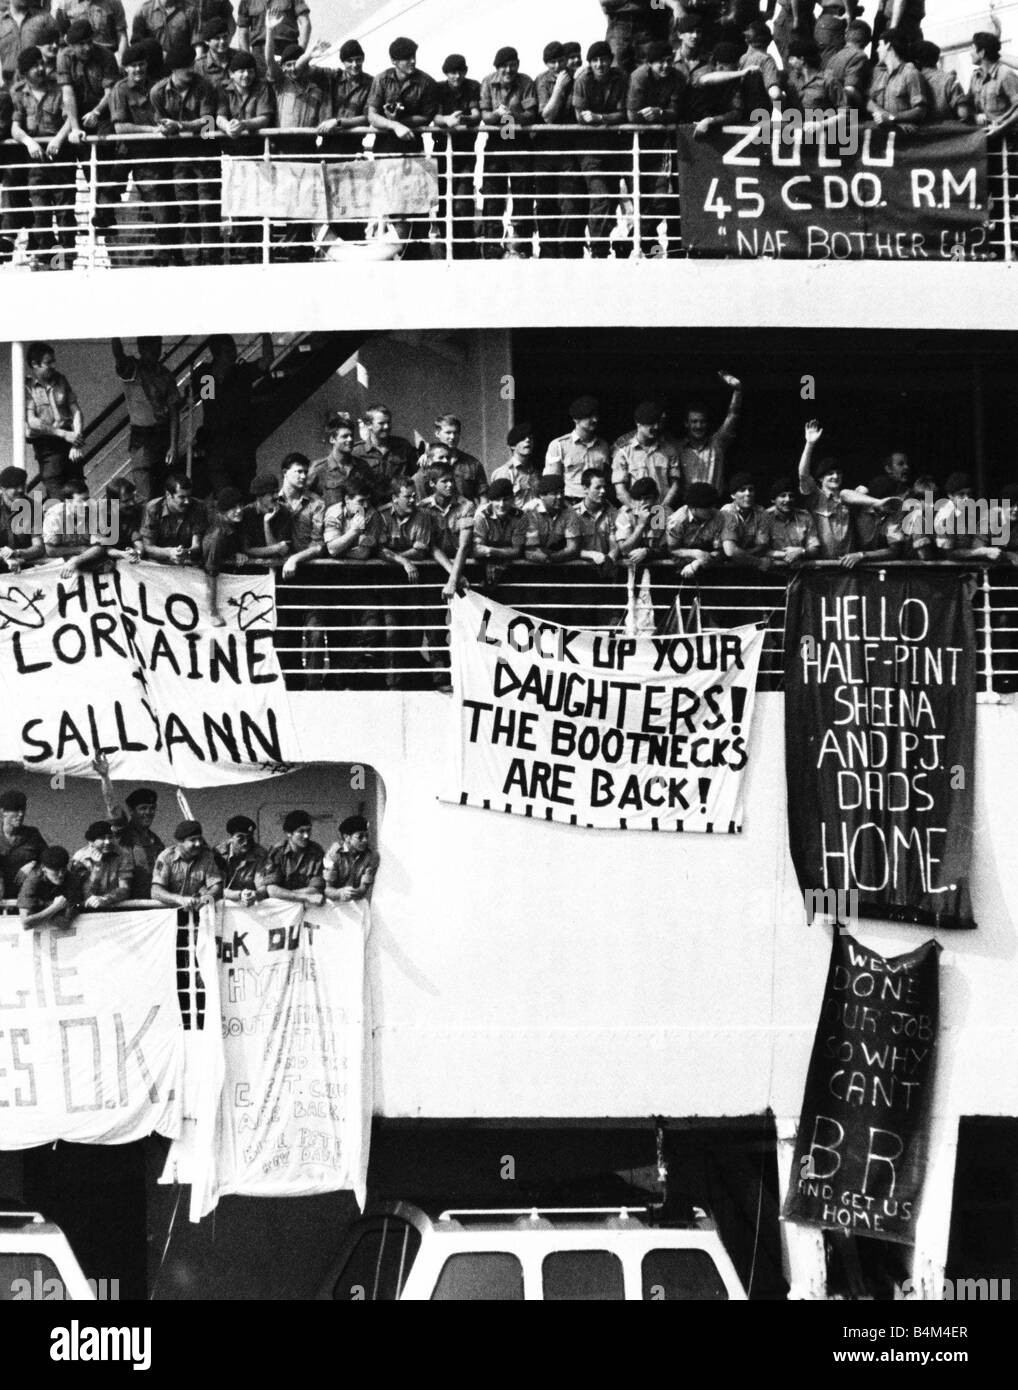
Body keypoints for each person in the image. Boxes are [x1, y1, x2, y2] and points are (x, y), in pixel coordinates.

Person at [150, 41, 219, 264]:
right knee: (186, 208)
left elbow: (208, 124)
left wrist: (180, 126)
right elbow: (160, 123)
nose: (191, 70)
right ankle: (192, 259)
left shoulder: (205, 86)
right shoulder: (158, 92)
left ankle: (210, 259)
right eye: (185, 67)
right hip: (179, 157)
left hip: (205, 154)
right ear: (174, 70)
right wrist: (166, 128)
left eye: (191, 65)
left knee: (208, 208)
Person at [11, 46, 75, 270]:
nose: (40, 69)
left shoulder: (59, 90)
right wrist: (28, 141)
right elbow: (15, 127)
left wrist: (58, 139)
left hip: (60, 160)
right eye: (33, 66)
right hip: (36, 165)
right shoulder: (19, 93)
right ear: (24, 71)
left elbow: (70, 119)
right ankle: (48, 263)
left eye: (41, 64)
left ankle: (64, 265)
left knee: (65, 214)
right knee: (40, 217)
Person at [58, 18, 121, 235]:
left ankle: (105, 212)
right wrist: (75, 127)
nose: (86, 48)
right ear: (71, 45)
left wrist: (96, 112)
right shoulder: (64, 58)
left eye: (88, 42)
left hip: (104, 113)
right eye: (80, 44)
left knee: (104, 154)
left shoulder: (106, 56)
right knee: (87, 161)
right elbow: (68, 94)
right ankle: (101, 212)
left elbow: (110, 92)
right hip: (78, 115)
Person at [479, 45, 538, 259]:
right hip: (497, 142)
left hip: (519, 142)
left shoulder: (526, 82)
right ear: (497, 68)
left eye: (512, 65)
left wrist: (512, 113)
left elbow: (531, 114)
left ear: (518, 65)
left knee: (522, 196)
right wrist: (497, 115)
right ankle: (492, 248)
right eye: (503, 66)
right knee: (493, 197)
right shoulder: (487, 82)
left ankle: (521, 246)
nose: (508, 70)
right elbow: (485, 116)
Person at [627, 40, 683, 258]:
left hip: (662, 143)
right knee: (641, 198)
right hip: (637, 143)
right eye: (660, 62)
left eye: (669, 61)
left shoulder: (677, 78)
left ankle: (632, 239)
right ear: (649, 63)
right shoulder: (639, 76)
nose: (665, 66)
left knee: (661, 199)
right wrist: (652, 116)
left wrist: (660, 113)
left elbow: (676, 110)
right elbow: (632, 113)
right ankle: (648, 248)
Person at [194, 333, 272, 490]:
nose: (233, 354)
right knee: (224, 493)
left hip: (240, 443)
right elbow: (208, 401)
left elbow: (266, 360)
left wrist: (265, 333)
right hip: (216, 444)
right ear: (217, 354)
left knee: (246, 489)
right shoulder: (206, 376)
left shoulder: (242, 373)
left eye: (233, 350)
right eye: (227, 351)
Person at [573, 41, 628, 259]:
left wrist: (600, 118)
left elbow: (623, 113)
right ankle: (598, 248)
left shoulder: (620, 78)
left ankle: (603, 242)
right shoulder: (582, 81)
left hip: (612, 146)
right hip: (588, 148)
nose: (600, 64)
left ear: (610, 60)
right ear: (589, 63)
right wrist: (602, 120)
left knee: (612, 198)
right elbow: (580, 117)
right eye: (595, 60)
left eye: (603, 59)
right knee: (601, 196)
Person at [111, 336, 181, 500]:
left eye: (158, 347)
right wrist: (115, 334)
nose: (155, 352)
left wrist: (173, 445)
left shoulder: (165, 374)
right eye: (150, 348)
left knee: (166, 491)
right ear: (142, 349)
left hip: (162, 436)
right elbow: (119, 356)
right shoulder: (132, 368)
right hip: (142, 438)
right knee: (145, 493)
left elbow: (174, 413)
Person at [535, 39, 585, 259]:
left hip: (568, 148)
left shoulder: (578, 79)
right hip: (545, 149)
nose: (557, 66)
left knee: (570, 202)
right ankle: (548, 253)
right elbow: (547, 115)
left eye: (560, 61)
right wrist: (558, 89)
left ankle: (570, 252)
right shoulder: (542, 81)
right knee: (545, 203)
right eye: (552, 62)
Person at [433, 53, 481, 257]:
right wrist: (446, 120)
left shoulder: (472, 86)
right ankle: (446, 247)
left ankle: (465, 249)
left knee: (463, 201)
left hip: (465, 152)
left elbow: (477, 114)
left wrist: (462, 120)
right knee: (443, 201)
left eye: (460, 71)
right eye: (452, 72)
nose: (457, 76)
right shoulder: (439, 89)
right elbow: (435, 117)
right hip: (442, 152)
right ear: (446, 73)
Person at [25, 340, 83, 500]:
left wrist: (75, 441)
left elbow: (76, 410)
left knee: (79, 494)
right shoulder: (27, 387)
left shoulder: (61, 379)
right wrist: (64, 434)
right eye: (48, 363)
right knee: (57, 496)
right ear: (35, 364)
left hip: (69, 445)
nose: (54, 365)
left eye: (53, 361)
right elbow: (32, 422)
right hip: (47, 448)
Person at [94, 769, 164, 897]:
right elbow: (113, 806)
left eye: (152, 808)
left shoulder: (156, 841)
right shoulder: (123, 832)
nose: (148, 812)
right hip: (123, 903)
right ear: (131, 811)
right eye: (143, 808)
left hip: (149, 904)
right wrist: (105, 777)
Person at [797, 420, 857, 558]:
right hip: (822, 569)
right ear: (820, 479)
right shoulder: (815, 496)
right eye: (830, 473)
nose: (835, 476)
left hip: (849, 567)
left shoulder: (850, 497)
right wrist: (810, 444)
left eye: (838, 473)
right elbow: (803, 475)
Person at [677, 372, 742, 493]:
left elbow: (733, 415)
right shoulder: (678, 448)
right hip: (688, 505)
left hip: (714, 504)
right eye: (694, 422)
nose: (698, 426)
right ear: (686, 424)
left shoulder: (717, 443)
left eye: (702, 422)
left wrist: (737, 390)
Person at [612, 401, 681, 509]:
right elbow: (620, 491)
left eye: (658, 422)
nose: (656, 427)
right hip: (634, 514)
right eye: (651, 423)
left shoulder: (669, 451)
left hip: (662, 512)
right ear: (638, 423)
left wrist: (661, 509)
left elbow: (675, 485)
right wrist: (637, 511)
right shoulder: (623, 453)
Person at [545, 395, 611, 502]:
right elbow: (552, 483)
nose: (595, 419)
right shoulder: (559, 445)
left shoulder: (603, 446)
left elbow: (607, 478)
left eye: (596, 415)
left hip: (597, 503)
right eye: (589, 416)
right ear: (576, 419)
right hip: (570, 503)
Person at [202, 486, 248, 625]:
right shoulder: (216, 536)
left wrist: (236, 552)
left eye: (240, 505)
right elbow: (210, 573)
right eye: (233, 507)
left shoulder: (233, 523)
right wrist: (213, 611)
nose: (239, 510)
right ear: (223, 510)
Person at [152, 820, 224, 909]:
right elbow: (155, 891)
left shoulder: (206, 856)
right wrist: (179, 899)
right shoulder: (166, 857)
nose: (198, 844)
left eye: (200, 839)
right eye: (193, 840)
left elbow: (216, 886)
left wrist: (205, 898)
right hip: (170, 913)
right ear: (180, 842)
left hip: (198, 911)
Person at [468, 477, 527, 584]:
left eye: (506, 499)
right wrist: (503, 552)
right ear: (490, 501)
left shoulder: (520, 517)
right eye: (497, 500)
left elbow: (517, 551)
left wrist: (490, 551)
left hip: (510, 568)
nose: (501, 504)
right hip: (483, 568)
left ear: (513, 499)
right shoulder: (482, 516)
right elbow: (476, 550)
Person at [352, 405, 417, 501]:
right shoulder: (357, 452)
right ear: (369, 424)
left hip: (400, 503)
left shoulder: (403, 445)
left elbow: (415, 474)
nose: (386, 427)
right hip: (373, 506)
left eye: (388, 422)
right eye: (381, 423)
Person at [308, 411, 372, 508]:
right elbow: (304, 496)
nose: (350, 439)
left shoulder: (362, 466)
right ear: (332, 439)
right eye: (345, 436)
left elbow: (371, 497)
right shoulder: (318, 469)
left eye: (351, 436)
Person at [934, 472, 1003, 563]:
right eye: (961, 494)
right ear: (950, 496)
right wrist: (983, 552)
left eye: (969, 494)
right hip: (948, 570)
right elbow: (949, 555)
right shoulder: (945, 518)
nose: (967, 498)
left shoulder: (969, 509)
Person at [140, 470, 206, 565]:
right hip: (158, 563)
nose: (187, 501)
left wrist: (186, 552)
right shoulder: (153, 508)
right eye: (182, 497)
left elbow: (197, 545)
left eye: (189, 496)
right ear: (168, 495)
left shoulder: (198, 507)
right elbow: (148, 547)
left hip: (186, 563)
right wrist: (169, 552)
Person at [43, 478, 105, 576]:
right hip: (61, 562)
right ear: (68, 502)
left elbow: (99, 547)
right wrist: (78, 550)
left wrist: (77, 560)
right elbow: (50, 550)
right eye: (81, 501)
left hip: (86, 559)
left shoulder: (94, 511)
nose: (86, 505)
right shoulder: (55, 515)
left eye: (87, 499)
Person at [261, 809, 325, 904]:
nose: (306, 836)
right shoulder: (277, 852)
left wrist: (284, 894)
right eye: (301, 832)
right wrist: (304, 897)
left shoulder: (316, 851)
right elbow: (271, 890)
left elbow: (316, 889)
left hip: (306, 907)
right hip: (282, 908)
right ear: (288, 833)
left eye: (308, 831)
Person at [276, 452, 324, 579]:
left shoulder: (316, 503)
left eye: (305, 472)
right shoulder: (272, 500)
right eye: (299, 471)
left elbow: (318, 545)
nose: (303, 476)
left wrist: (295, 559)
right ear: (285, 472)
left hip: (309, 568)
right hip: (274, 570)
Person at [868, 31, 927, 128]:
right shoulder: (879, 74)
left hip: (904, 136)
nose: (877, 50)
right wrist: (882, 114)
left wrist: (891, 117)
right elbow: (868, 102)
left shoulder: (911, 73)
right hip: (883, 133)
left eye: (880, 45)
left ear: (888, 46)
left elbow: (920, 111)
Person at [667, 480, 724, 580]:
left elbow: (720, 550)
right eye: (706, 507)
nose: (711, 509)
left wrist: (698, 562)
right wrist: (695, 553)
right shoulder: (676, 521)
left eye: (712, 505)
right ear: (693, 508)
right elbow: (672, 550)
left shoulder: (718, 517)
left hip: (710, 567)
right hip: (680, 568)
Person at [70, 819, 132, 909]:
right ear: (91, 842)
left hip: (113, 905)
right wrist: (97, 868)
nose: (107, 842)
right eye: (102, 838)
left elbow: (125, 889)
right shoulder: (80, 858)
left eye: (110, 837)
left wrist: (105, 899)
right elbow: (85, 894)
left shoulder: (123, 855)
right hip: (86, 908)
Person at [18, 845, 83, 930]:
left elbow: (64, 923)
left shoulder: (71, 879)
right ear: (44, 868)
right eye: (55, 870)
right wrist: (55, 907)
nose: (61, 874)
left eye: (63, 869)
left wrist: (40, 908)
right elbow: (25, 924)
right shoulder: (32, 880)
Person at [967, 31, 1018, 137]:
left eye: (972, 48)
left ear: (982, 52)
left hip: (1009, 141)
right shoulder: (975, 77)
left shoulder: (1005, 74)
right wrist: (975, 116)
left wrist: (1001, 128)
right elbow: (968, 106)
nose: (970, 52)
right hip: (986, 138)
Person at [236, 0, 309, 74]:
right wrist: (247, 61)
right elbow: (242, 32)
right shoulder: (247, 1)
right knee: (263, 82)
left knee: (291, 81)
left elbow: (305, 23)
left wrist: (300, 51)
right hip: (260, 52)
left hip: (288, 49)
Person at [524, 473, 581, 564]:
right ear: (542, 495)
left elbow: (573, 548)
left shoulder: (569, 511)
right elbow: (531, 549)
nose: (560, 496)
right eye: (554, 493)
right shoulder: (530, 511)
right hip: (532, 562)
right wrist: (546, 559)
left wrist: (551, 558)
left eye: (561, 492)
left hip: (558, 559)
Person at [601, 0, 669, 75]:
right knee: (615, 71)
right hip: (619, 24)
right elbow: (605, 2)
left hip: (649, 23)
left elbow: (660, 3)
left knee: (649, 72)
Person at [765, 477, 821, 566]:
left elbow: (814, 548)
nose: (787, 500)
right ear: (773, 500)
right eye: (783, 496)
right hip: (773, 572)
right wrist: (786, 555)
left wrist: (801, 551)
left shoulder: (805, 516)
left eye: (791, 496)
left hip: (800, 572)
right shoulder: (764, 518)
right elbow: (761, 550)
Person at [720, 473, 772, 570]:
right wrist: (758, 562)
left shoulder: (761, 513)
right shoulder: (727, 512)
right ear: (733, 495)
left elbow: (762, 547)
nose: (748, 493)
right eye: (742, 490)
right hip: (726, 565)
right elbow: (730, 551)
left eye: (751, 489)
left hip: (746, 563)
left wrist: (740, 555)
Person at [323, 815, 379, 903]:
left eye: (366, 836)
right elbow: (326, 889)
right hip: (333, 901)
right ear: (347, 837)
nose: (365, 840)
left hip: (356, 901)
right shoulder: (334, 853)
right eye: (360, 837)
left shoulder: (371, 856)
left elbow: (363, 889)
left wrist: (355, 892)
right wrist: (339, 893)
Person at [239, 471, 291, 564]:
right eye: (271, 493)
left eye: (276, 492)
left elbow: (278, 552)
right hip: (252, 568)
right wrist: (276, 548)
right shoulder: (247, 513)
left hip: (278, 566)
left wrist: (266, 523)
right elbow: (247, 549)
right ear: (259, 496)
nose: (276, 496)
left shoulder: (284, 512)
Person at [615, 476, 667, 568]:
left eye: (647, 498)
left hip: (658, 567)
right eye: (638, 499)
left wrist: (647, 552)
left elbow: (668, 549)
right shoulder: (625, 515)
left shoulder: (665, 514)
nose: (642, 502)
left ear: (656, 497)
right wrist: (640, 525)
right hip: (628, 568)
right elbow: (624, 550)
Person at [0, 788, 47, 888]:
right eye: (16, 810)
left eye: (22, 809)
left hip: (26, 892)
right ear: (3, 812)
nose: (21, 814)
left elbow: (49, 860)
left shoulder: (33, 834)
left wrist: (33, 864)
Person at [432, 415, 486, 501]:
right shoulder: (429, 462)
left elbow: (483, 498)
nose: (452, 437)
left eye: (456, 432)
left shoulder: (473, 464)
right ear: (437, 433)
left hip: (467, 512)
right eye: (448, 433)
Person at [215, 814, 267, 904]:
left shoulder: (260, 854)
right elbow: (216, 889)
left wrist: (256, 894)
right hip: (224, 905)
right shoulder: (218, 854)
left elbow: (262, 885)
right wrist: (239, 895)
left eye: (249, 838)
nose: (246, 842)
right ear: (231, 838)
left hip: (251, 903)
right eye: (241, 838)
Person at [573, 468, 619, 570]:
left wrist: (610, 558)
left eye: (604, 487)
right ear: (585, 488)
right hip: (578, 570)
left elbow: (614, 544)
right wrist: (592, 555)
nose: (603, 491)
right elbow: (570, 547)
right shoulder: (573, 515)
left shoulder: (612, 513)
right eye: (598, 487)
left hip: (605, 571)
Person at [0, 466, 44, 571]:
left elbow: (39, 547)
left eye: (22, 485)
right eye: (15, 486)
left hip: (23, 565)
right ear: (2, 488)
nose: (20, 490)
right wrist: (5, 557)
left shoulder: (34, 507)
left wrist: (17, 553)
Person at [827, 19, 872, 112]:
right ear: (867, 41)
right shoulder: (860, 56)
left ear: (846, 36)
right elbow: (851, 89)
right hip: (848, 114)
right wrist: (865, 107)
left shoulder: (834, 57)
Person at [491, 423, 541, 506]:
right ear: (513, 446)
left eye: (530, 438)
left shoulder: (535, 473)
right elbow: (499, 506)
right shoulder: (505, 473)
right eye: (522, 438)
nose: (528, 440)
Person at [913, 42, 963, 123]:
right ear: (937, 58)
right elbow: (963, 113)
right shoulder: (950, 80)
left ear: (917, 61)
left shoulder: (912, 82)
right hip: (948, 132)